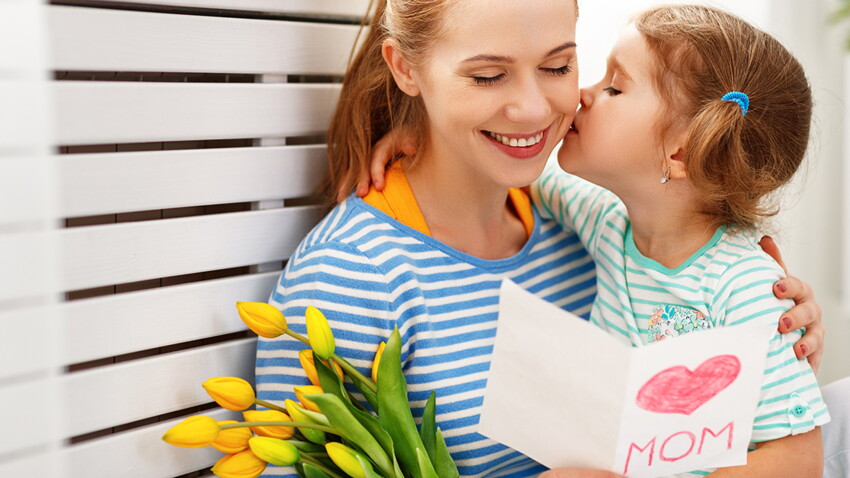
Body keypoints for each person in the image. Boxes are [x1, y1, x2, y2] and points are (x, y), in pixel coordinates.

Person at [256, 1, 824, 476]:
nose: (537, 109)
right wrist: (422, 128)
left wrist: (772, 321)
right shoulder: (355, 276)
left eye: (558, 67)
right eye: (486, 75)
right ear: (406, 68)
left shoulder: (588, 218)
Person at [528, 5, 829, 476]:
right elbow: (511, 172)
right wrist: (411, 139)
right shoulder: (605, 220)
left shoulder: (747, 286)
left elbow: (798, 461)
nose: (582, 95)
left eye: (614, 86)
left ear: (681, 152)